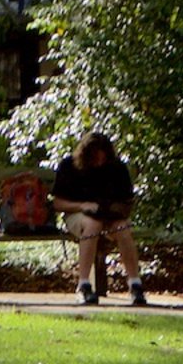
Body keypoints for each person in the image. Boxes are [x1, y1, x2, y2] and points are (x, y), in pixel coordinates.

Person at [52, 131, 143, 306]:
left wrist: (113, 209)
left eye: (103, 159)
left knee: (123, 228)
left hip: (109, 216)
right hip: (78, 214)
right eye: (95, 159)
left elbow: (127, 201)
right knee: (92, 225)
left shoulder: (117, 168)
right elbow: (58, 203)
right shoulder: (69, 166)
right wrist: (82, 206)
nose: (99, 163)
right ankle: (84, 285)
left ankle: (135, 285)